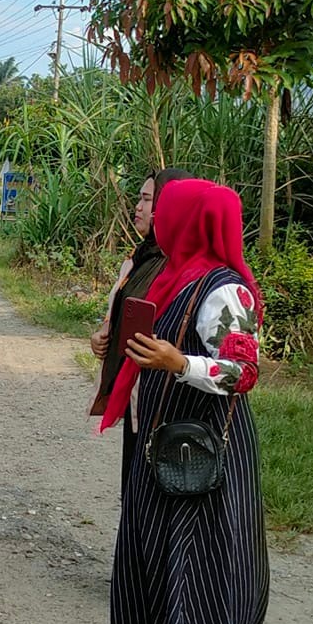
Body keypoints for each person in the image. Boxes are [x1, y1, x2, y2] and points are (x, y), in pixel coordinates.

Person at [94, 177, 285, 624]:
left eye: (166, 212)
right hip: (162, 446)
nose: (156, 219)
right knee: (148, 559)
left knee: (194, 569)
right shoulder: (173, 275)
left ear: (191, 222)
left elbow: (244, 373)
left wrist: (180, 363)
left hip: (202, 457)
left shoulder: (225, 291)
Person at [89, 166, 191, 471]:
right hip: (135, 392)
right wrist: (103, 336)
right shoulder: (139, 258)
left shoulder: (181, 268)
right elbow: (122, 312)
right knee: (134, 483)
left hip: (165, 399)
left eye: (147, 200)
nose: (138, 207)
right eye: (140, 199)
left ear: (168, 206)